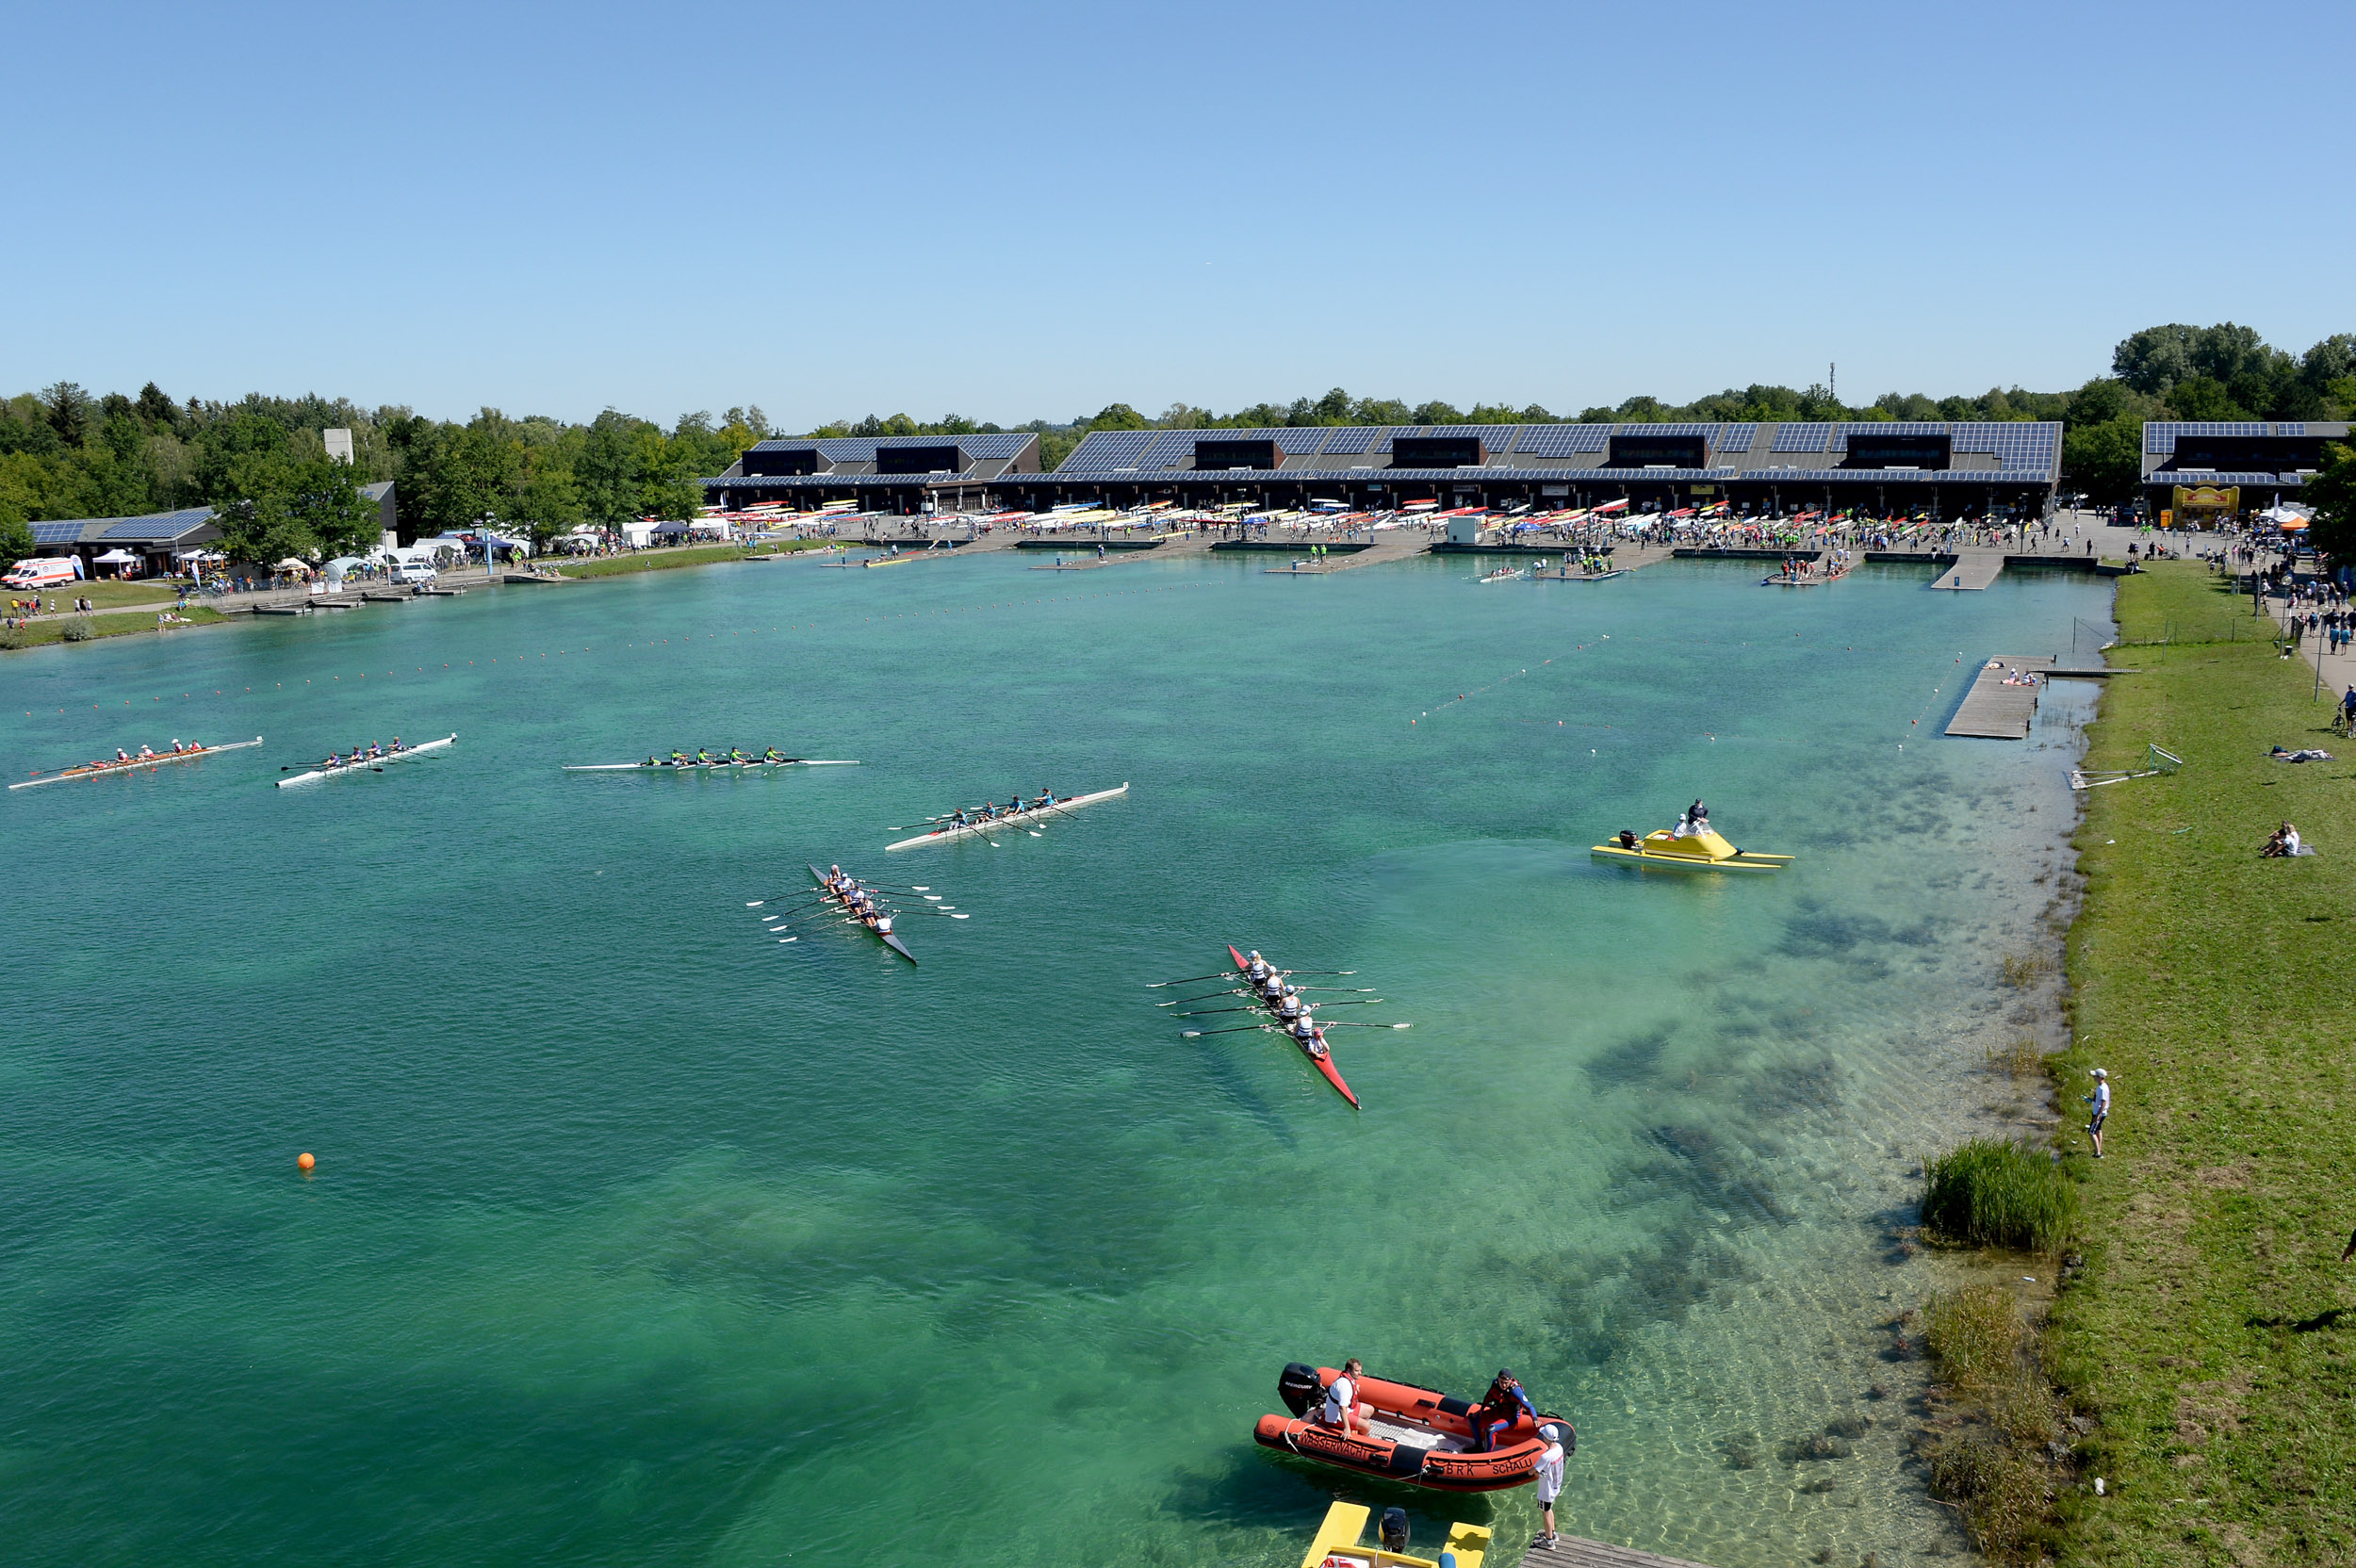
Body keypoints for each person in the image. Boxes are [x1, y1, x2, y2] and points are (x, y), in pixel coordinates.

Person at [1469, 1369, 1536, 1453]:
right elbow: (1488, 1397)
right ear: (1498, 1379)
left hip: (1511, 1416)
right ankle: (1478, 1446)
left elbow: (1529, 1406)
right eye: (1501, 1382)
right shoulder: (1495, 1384)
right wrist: (1482, 1409)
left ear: (1510, 1380)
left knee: (1491, 1430)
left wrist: (1534, 1418)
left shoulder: (1515, 1391)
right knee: (1473, 1418)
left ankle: (1487, 1455)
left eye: (1506, 1383)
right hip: (1499, 1411)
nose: (1503, 1385)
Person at [1531, 1422, 1569, 1550]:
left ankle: (1548, 1541)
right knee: (1549, 1509)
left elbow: (1531, 1471)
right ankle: (1552, 1533)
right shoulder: (1559, 1448)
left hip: (1546, 1490)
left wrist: (1533, 1472)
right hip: (1555, 1486)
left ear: (1546, 1438)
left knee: (1545, 1512)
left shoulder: (1545, 1456)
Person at [1320, 1358, 1370, 1442]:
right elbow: (1342, 1409)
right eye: (1357, 1371)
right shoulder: (1344, 1386)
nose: (1360, 1373)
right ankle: (1362, 1441)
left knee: (1370, 1410)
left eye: (1360, 1371)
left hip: (1348, 1410)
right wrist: (1347, 1429)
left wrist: (1355, 1387)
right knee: (1367, 1426)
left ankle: (1357, 1428)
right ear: (1349, 1370)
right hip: (1337, 1417)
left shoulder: (1349, 1378)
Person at [2084, 1069, 2110, 1158]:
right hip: (2098, 1112)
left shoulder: (2102, 1089)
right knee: (2098, 1130)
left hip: (2098, 1114)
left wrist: (2098, 1115)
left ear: (2100, 1077)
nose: (2093, 1077)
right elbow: (2099, 1100)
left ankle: (2098, 1153)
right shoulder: (2102, 1087)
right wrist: (2091, 1100)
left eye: (2095, 1076)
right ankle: (2099, 1148)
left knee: (2091, 1132)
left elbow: (2103, 1102)